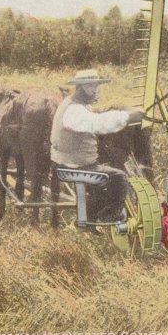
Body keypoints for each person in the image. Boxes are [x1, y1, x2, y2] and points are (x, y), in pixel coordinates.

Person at [50, 69, 144, 223]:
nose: (94, 90)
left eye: (95, 87)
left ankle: (91, 216)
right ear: (79, 88)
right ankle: (108, 216)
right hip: (73, 166)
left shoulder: (76, 105)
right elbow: (96, 123)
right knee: (119, 178)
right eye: (89, 87)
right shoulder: (74, 110)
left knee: (103, 176)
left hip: (73, 163)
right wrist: (128, 116)